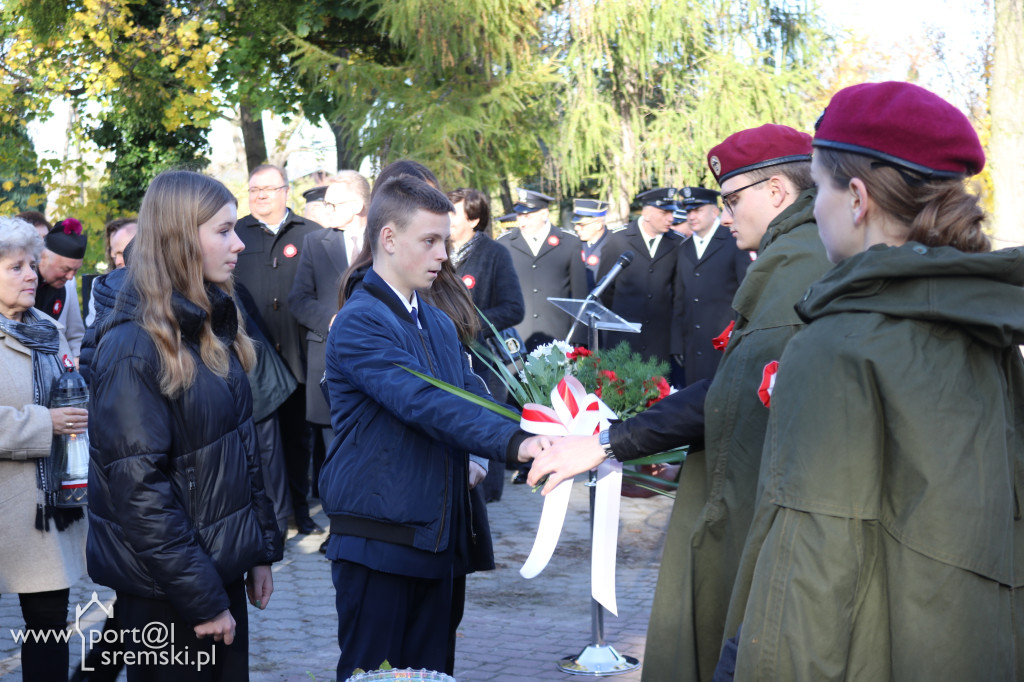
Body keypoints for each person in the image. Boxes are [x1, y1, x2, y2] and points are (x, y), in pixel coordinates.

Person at [715, 81, 1024, 681]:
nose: (815, 210)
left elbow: (812, 561)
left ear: (856, 198)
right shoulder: (988, 327)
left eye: (819, 187)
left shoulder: (837, 345)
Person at [523, 124, 832, 682]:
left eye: (734, 201)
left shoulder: (798, 264)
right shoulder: (795, 254)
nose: (727, 215)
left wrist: (605, 443)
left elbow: (735, 392)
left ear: (779, 193)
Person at [320, 175, 549, 679]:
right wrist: (518, 444)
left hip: (433, 539)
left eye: (444, 240)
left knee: (431, 674)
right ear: (388, 238)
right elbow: (426, 402)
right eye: (429, 240)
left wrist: (548, 429)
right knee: (374, 675)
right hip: (380, 541)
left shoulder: (437, 321)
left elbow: (475, 395)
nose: (443, 253)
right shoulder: (361, 321)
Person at [87, 170, 283, 681]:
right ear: (179, 237)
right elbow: (140, 493)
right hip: (167, 598)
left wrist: (257, 550)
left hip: (213, 580)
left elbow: (241, 450)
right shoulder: (132, 346)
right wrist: (202, 599)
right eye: (223, 230)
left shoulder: (207, 327)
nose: (239, 243)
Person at [0, 216, 88, 682]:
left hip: (44, 510)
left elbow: (68, 388)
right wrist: (44, 423)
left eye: (32, 265)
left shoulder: (46, 330)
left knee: (49, 629)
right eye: (16, 267)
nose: (32, 275)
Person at [234, 164, 322, 534]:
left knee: (299, 440)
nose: (260, 196)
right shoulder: (236, 234)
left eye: (268, 189)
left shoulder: (311, 235)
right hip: (254, 358)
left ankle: (300, 514)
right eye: (254, 190)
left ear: (286, 191)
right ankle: (267, 514)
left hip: (299, 355)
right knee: (260, 445)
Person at [289, 170, 371, 511]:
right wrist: (332, 321)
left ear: (357, 205)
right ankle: (339, 524)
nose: (326, 209)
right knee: (334, 449)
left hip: (375, 360)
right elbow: (299, 300)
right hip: (329, 361)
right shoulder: (315, 243)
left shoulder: (384, 240)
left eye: (333, 203)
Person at [447, 187, 525, 502]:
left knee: (486, 427)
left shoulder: (494, 254)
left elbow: (513, 308)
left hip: (483, 362)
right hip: (445, 359)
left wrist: (467, 324)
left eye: (453, 212)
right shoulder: (435, 250)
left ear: (474, 219)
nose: (445, 218)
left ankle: (487, 499)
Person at [596, 187, 685, 377]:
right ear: (646, 212)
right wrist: (625, 313)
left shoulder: (676, 243)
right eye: (664, 212)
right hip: (623, 340)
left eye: (672, 212)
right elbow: (604, 286)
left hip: (660, 342)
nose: (671, 218)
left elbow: (678, 294)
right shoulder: (618, 239)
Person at [671, 187, 751, 386]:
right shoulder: (685, 248)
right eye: (688, 211)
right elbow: (679, 299)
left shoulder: (733, 241)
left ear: (715, 211)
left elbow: (747, 291)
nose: (691, 216)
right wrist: (677, 344)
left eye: (697, 210)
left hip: (725, 342)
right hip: (693, 346)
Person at [496, 188, 588, 350]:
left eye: (528, 216)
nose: (522, 222)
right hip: (515, 339)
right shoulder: (504, 244)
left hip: (557, 338)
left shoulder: (569, 242)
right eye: (519, 216)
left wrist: (579, 340)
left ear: (544, 214)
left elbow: (579, 294)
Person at [36, 218, 87, 360]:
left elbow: (75, 335)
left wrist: (77, 362)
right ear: (44, 257)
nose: (70, 277)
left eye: (75, 271)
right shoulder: (21, 282)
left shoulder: (68, 285)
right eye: (66, 269)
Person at [571, 198, 612, 290]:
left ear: (598, 224)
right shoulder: (574, 244)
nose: (577, 228)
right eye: (576, 224)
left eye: (582, 224)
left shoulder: (613, 244)